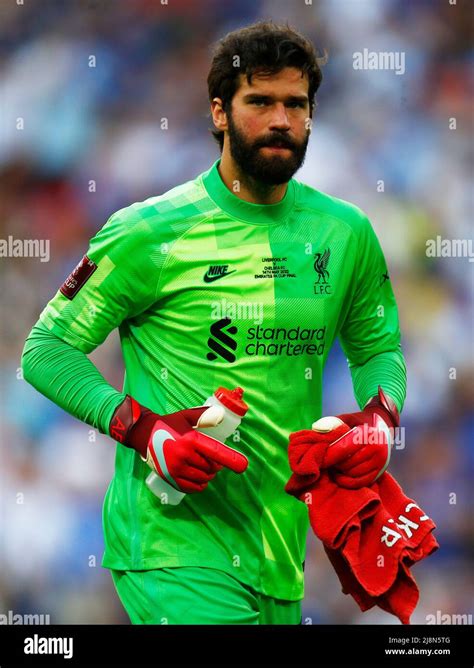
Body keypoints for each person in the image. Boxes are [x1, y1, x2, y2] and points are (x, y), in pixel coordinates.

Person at [22, 20, 406, 625]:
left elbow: (377, 350)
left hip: (280, 550)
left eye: (295, 104)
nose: (280, 120)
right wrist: (148, 434)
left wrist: (381, 422)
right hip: (174, 543)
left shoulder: (345, 233)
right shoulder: (151, 231)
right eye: (260, 102)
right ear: (220, 113)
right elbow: (45, 350)